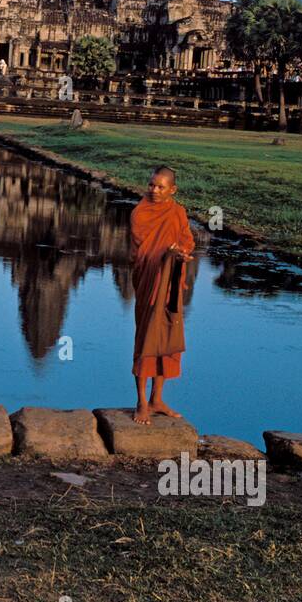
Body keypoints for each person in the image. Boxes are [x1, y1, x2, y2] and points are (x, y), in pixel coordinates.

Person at [130, 165, 194, 425]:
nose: (154, 190)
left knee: (166, 336)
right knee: (147, 338)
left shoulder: (177, 212)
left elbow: (187, 240)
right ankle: (141, 402)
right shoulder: (140, 212)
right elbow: (143, 252)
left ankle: (157, 399)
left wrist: (181, 252)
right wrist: (168, 253)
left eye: (160, 187)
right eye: (151, 185)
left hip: (171, 283)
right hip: (149, 281)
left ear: (172, 190)